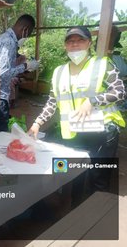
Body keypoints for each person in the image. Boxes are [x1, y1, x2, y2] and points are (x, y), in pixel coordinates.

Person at [28, 26, 126, 191]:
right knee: (73, 175)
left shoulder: (102, 65)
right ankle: (75, 211)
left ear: (89, 43)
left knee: (98, 178)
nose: (75, 44)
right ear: (65, 45)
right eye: (70, 41)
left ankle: (97, 212)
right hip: (73, 132)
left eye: (80, 40)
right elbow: (53, 101)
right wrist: (37, 123)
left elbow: (120, 91)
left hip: (102, 133)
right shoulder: (59, 72)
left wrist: (93, 101)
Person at [0, 14, 39, 131]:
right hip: (0, 98)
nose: (26, 38)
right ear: (25, 30)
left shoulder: (0, 39)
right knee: (0, 137)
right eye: (28, 34)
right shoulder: (9, 42)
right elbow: (2, 74)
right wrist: (26, 66)